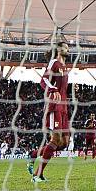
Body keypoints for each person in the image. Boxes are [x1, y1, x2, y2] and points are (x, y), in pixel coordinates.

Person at [26, 41, 75, 182]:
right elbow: (44, 81)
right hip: (55, 106)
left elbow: (62, 87)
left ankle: (34, 154)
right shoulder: (54, 62)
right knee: (55, 139)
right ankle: (37, 175)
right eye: (65, 47)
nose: (68, 49)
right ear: (59, 49)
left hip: (64, 107)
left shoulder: (65, 67)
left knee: (64, 143)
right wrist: (53, 90)